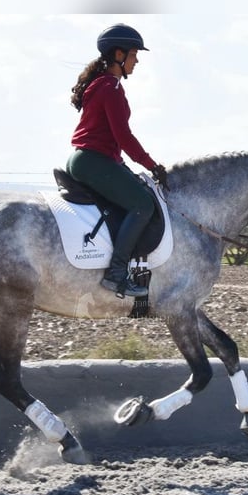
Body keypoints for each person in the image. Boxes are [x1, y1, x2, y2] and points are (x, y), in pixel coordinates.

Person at [66, 23, 168, 298]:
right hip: (93, 161)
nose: (137, 62)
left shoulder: (104, 84)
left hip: (94, 159)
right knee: (143, 204)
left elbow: (115, 141)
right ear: (119, 55)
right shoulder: (109, 88)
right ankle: (116, 274)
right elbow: (124, 137)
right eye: (134, 55)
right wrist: (152, 165)